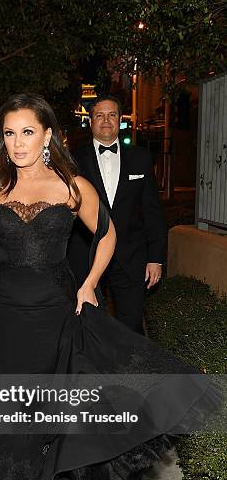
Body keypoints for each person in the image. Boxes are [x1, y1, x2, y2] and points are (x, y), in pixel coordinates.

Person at [0, 94, 216, 480]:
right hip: (3, 317)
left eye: (27, 132)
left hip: (53, 315)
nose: (17, 142)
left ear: (47, 135)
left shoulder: (71, 185)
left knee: (47, 407)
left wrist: (88, 285)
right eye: (9, 133)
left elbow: (107, 235)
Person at [68, 94, 166, 333]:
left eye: (112, 115)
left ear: (120, 120)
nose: (105, 121)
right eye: (99, 115)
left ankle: (128, 371)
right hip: (86, 257)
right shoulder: (73, 160)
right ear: (90, 121)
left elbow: (153, 212)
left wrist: (156, 257)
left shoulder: (141, 158)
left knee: (131, 326)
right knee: (88, 324)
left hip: (131, 257)